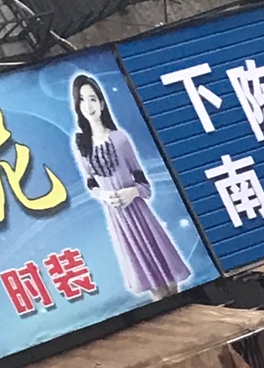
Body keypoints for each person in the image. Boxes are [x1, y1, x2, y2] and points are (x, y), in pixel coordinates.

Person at [72, 72, 191, 302]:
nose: (88, 105)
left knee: (168, 278)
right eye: (82, 99)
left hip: (139, 213)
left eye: (93, 98)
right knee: (150, 282)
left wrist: (132, 191)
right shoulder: (81, 145)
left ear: (102, 103)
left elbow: (143, 181)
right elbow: (90, 183)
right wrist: (104, 196)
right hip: (118, 219)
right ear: (77, 106)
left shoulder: (120, 138)